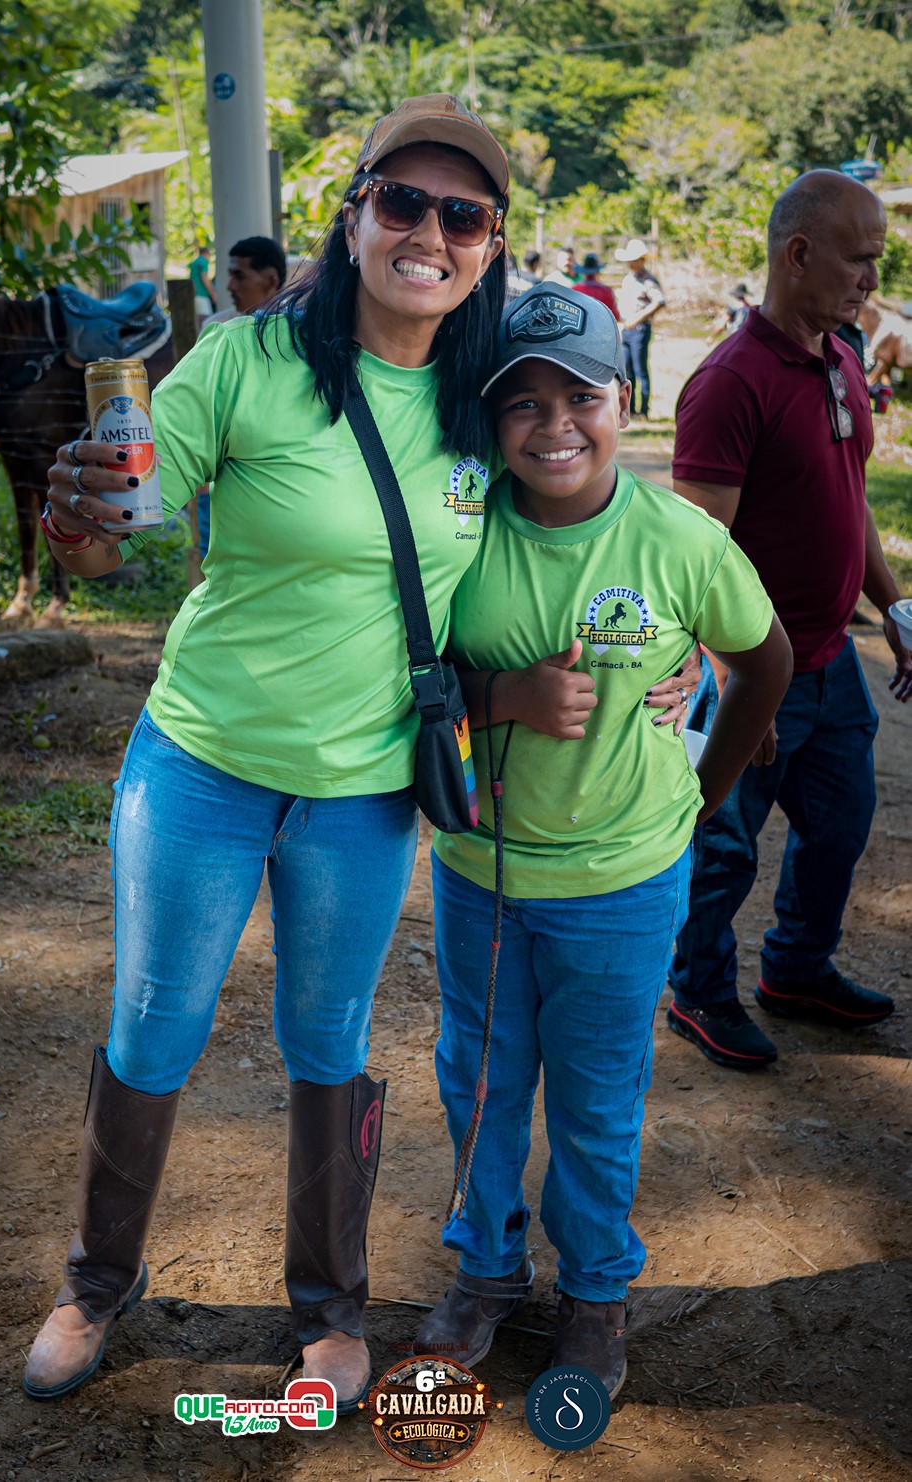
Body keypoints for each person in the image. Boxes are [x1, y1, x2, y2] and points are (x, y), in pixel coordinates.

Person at [22, 94, 510, 1413]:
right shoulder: (246, 360)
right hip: (203, 763)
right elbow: (117, 528)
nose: (428, 232)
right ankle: (93, 1285)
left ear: (488, 247)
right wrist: (79, 521)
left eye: (462, 214)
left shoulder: (490, 401)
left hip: (365, 795)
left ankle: (329, 1312)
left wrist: (666, 650)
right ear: (353, 218)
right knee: (156, 1023)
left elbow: (560, 548)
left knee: (327, 1037)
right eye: (401, 201)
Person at [413, 285, 792, 1398]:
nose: (554, 426)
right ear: (488, 420)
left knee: (593, 1100)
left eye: (579, 396)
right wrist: (504, 696)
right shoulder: (458, 526)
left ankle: (594, 1292)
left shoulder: (679, 539)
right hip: (480, 874)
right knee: (479, 1082)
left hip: (623, 885)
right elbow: (407, 673)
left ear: (623, 398)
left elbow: (764, 660)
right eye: (521, 403)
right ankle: (485, 1270)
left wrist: (701, 800)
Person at [666, 170, 912, 1072]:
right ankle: (698, 990)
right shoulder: (730, 383)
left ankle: (797, 970)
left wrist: (893, 604)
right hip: (755, 670)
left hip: (832, 662)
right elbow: (696, 554)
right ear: (798, 254)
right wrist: (735, 676)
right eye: (859, 259)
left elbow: (850, 504)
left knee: (841, 824)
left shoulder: (840, 357)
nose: (871, 280)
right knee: (720, 846)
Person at [197, 237, 289, 557]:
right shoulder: (217, 329)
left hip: (277, 480)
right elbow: (203, 406)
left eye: (240, 276)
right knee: (216, 556)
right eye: (229, 275)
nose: (229, 286)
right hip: (219, 474)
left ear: (271, 280)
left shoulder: (297, 334)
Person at [615, 239, 665, 419]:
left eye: (634, 259)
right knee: (627, 370)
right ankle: (629, 408)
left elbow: (659, 301)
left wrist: (639, 317)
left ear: (642, 260)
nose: (631, 263)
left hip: (640, 328)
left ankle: (643, 410)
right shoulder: (628, 279)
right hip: (626, 327)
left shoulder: (648, 280)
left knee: (640, 369)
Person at [203, 235, 287, 326]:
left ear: (271, 282)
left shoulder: (293, 327)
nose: (230, 287)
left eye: (240, 276)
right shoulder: (217, 327)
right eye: (231, 276)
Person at [573, 251, 619, 320]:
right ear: (598, 272)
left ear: (584, 272)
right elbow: (615, 316)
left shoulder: (575, 290)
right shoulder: (606, 291)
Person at [189, 240, 217, 324]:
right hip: (201, 295)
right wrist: (213, 295)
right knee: (207, 320)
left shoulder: (195, 262)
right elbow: (204, 278)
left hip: (194, 293)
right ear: (206, 253)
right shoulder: (203, 262)